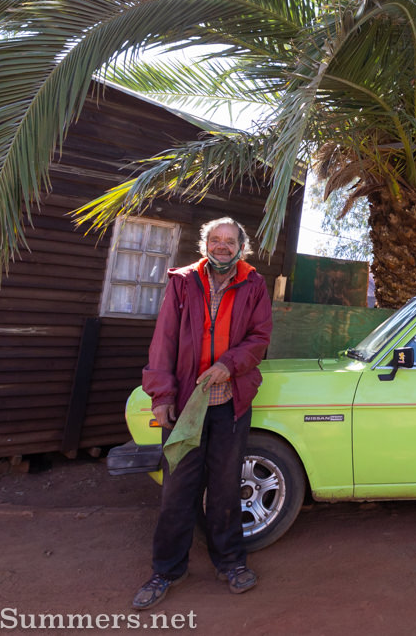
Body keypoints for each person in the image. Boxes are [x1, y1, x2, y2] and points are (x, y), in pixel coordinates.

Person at [131, 217, 273, 610]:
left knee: (226, 486)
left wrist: (229, 365)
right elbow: (164, 340)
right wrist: (161, 395)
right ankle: (166, 570)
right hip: (185, 406)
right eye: (216, 239)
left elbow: (259, 339)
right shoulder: (183, 281)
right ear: (205, 244)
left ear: (241, 246)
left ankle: (230, 563)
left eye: (230, 241)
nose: (222, 246)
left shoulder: (254, 285)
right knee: (177, 488)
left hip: (229, 401)